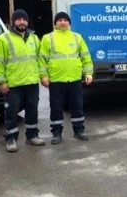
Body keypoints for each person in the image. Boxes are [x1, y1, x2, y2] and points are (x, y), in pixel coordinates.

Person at [39, 12, 93, 144]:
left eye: (65, 20)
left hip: (74, 79)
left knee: (77, 106)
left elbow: (85, 57)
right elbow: (42, 60)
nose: (62, 22)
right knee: (56, 108)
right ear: (55, 23)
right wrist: (43, 76)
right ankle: (57, 133)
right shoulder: (48, 38)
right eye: (60, 20)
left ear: (69, 23)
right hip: (56, 80)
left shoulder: (77, 37)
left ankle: (79, 130)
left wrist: (88, 73)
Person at [0, 9, 44, 152]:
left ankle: (32, 136)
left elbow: (39, 60)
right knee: (11, 112)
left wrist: (42, 76)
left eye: (24, 19)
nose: (22, 22)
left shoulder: (34, 38)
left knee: (32, 110)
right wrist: (1, 81)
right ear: (13, 21)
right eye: (19, 19)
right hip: (13, 84)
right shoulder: (4, 39)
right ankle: (11, 139)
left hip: (32, 82)